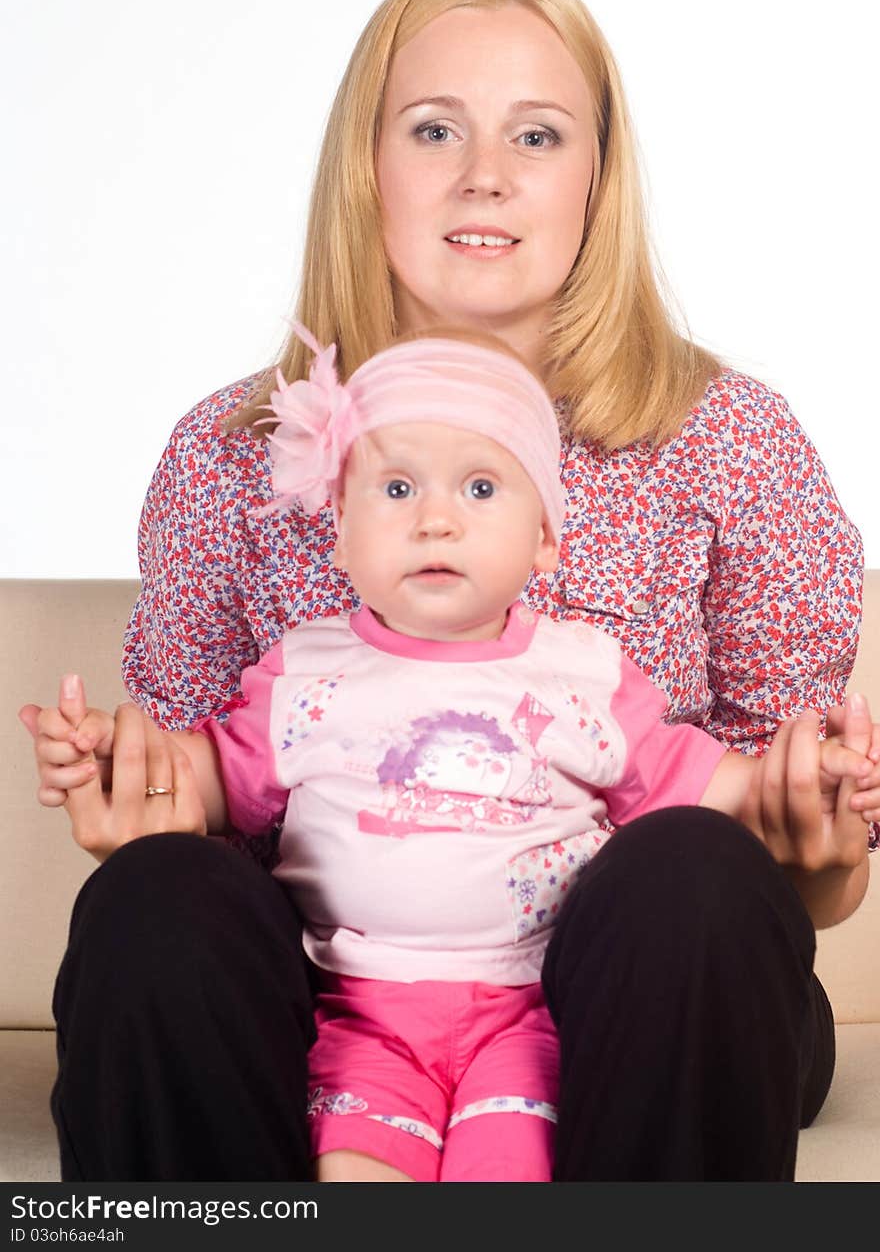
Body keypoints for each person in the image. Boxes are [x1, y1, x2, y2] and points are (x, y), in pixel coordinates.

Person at [20, 0, 874, 1181]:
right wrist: (149, 811)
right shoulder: (232, 453)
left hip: (657, 987)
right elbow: (200, 799)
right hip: (343, 991)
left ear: (596, 176)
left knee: (691, 877)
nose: (486, 174)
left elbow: (774, 869)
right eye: (435, 128)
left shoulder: (729, 441)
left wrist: (820, 838)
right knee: (151, 904)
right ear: (367, 165)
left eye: (536, 133)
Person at [26, 327, 880, 1185]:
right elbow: (213, 769)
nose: (436, 517)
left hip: (534, 1007)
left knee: (512, 1164)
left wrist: (809, 781)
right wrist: (116, 761)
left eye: (479, 487)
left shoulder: (585, 671)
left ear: (547, 541)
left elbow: (703, 783)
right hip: (357, 1008)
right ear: (339, 537)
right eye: (396, 488)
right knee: (351, 1163)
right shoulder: (305, 669)